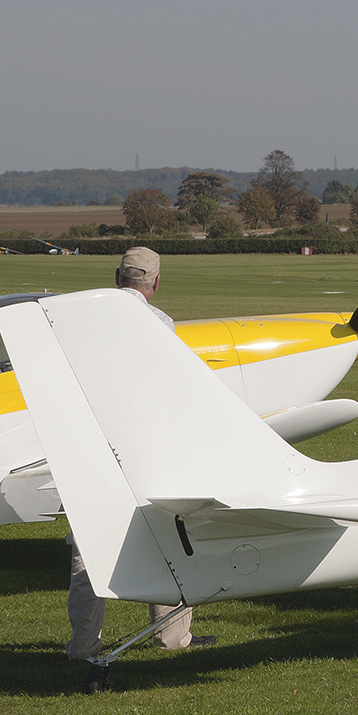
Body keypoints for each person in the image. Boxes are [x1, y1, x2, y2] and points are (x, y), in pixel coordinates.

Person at [65, 248, 215, 660]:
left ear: (117, 276)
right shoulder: (160, 325)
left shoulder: (79, 323)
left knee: (90, 550)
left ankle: (82, 644)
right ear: (155, 282)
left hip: (93, 451)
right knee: (172, 539)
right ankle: (171, 637)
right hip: (151, 451)